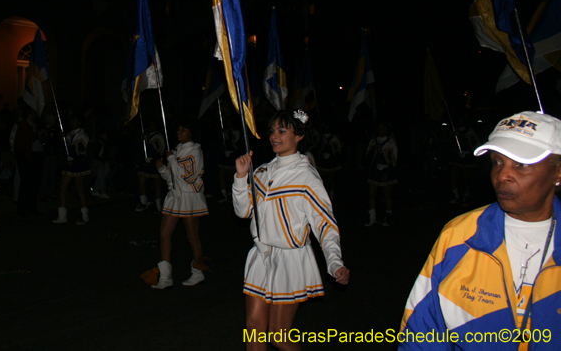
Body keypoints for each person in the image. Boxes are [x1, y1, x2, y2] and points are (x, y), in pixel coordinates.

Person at [400, 111, 561, 350]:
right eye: (497, 162)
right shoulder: (459, 236)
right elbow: (422, 331)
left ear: (558, 172)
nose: (502, 175)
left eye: (521, 164)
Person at [234, 110, 349, 351]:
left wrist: (334, 261)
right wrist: (241, 178)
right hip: (261, 256)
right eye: (272, 131)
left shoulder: (306, 176)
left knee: (279, 335)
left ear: (299, 136)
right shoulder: (261, 172)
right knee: (253, 327)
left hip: (290, 260)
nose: (274, 136)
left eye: (282, 131)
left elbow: (324, 223)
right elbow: (244, 212)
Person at [151, 119, 208, 289]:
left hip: (189, 197)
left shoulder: (195, 151)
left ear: (191, 132)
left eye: (183, 130)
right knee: (164, 234)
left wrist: (172, 160)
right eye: (178, 129)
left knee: (192, 236)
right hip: (175, 196)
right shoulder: (176, 150)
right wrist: (162, 168)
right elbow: (172, 177)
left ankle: (198, 272)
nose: (179, 132)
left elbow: (189, 177)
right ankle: (165, 276)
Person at [53, 116, 91, 225]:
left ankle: (84, 215)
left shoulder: (82, 135)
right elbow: (64, 149)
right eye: (71, 120)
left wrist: (73, 157)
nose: (71, 122)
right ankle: (62, 216)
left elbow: (80, 150)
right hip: (70, 165)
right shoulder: (69, 134)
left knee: (79, 189)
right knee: (62, 187)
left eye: (74, 120)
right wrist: (62, 139)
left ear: (79, 122)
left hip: (78, 165)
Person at [365, 122, 398, 226]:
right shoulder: (373, 141)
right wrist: (373, 149)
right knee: (371, 193)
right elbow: (367, 157)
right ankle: (372, 218)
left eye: (383, 128)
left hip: (386, 171)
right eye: (379, 128)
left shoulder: (391, 142)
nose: (381, 130)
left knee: (387, 194)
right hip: (374, 170)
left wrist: (387, 172)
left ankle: (388, 217)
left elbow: (394, 160)